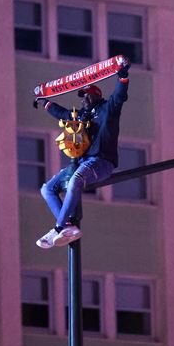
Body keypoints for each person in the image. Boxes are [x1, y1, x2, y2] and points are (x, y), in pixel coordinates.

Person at [33, 62, 130, 248]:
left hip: (101, 162)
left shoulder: (107, 110)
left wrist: (123, 77)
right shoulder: (81, 117)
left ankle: (60, 227)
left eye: (86, 96)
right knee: (47, 189)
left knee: (76, 180)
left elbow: (119, 96)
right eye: (82, 97)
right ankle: (69, 227)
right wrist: (43, 101)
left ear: (95, 96)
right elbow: (62, 113)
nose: (83, 100)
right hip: (82, 164)